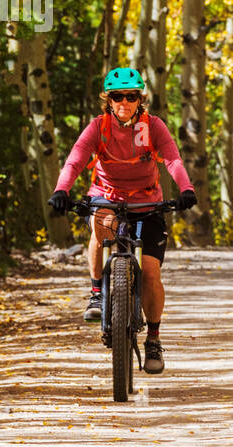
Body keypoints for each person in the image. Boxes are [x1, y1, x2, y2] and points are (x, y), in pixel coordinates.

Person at [49, 67, 196, 374]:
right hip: (107, 197)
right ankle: (96, 293)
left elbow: (172, 159)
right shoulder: (98, 127)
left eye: (131, 97)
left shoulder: (153, 126)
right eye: (118, 97)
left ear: (140, 99)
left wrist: (186, 189)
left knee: (151, 273)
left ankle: (153, 339)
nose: (125, 102)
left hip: (148, 201)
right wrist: (61, 190)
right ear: (109, 100)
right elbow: (75, 159)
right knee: (100, 225)